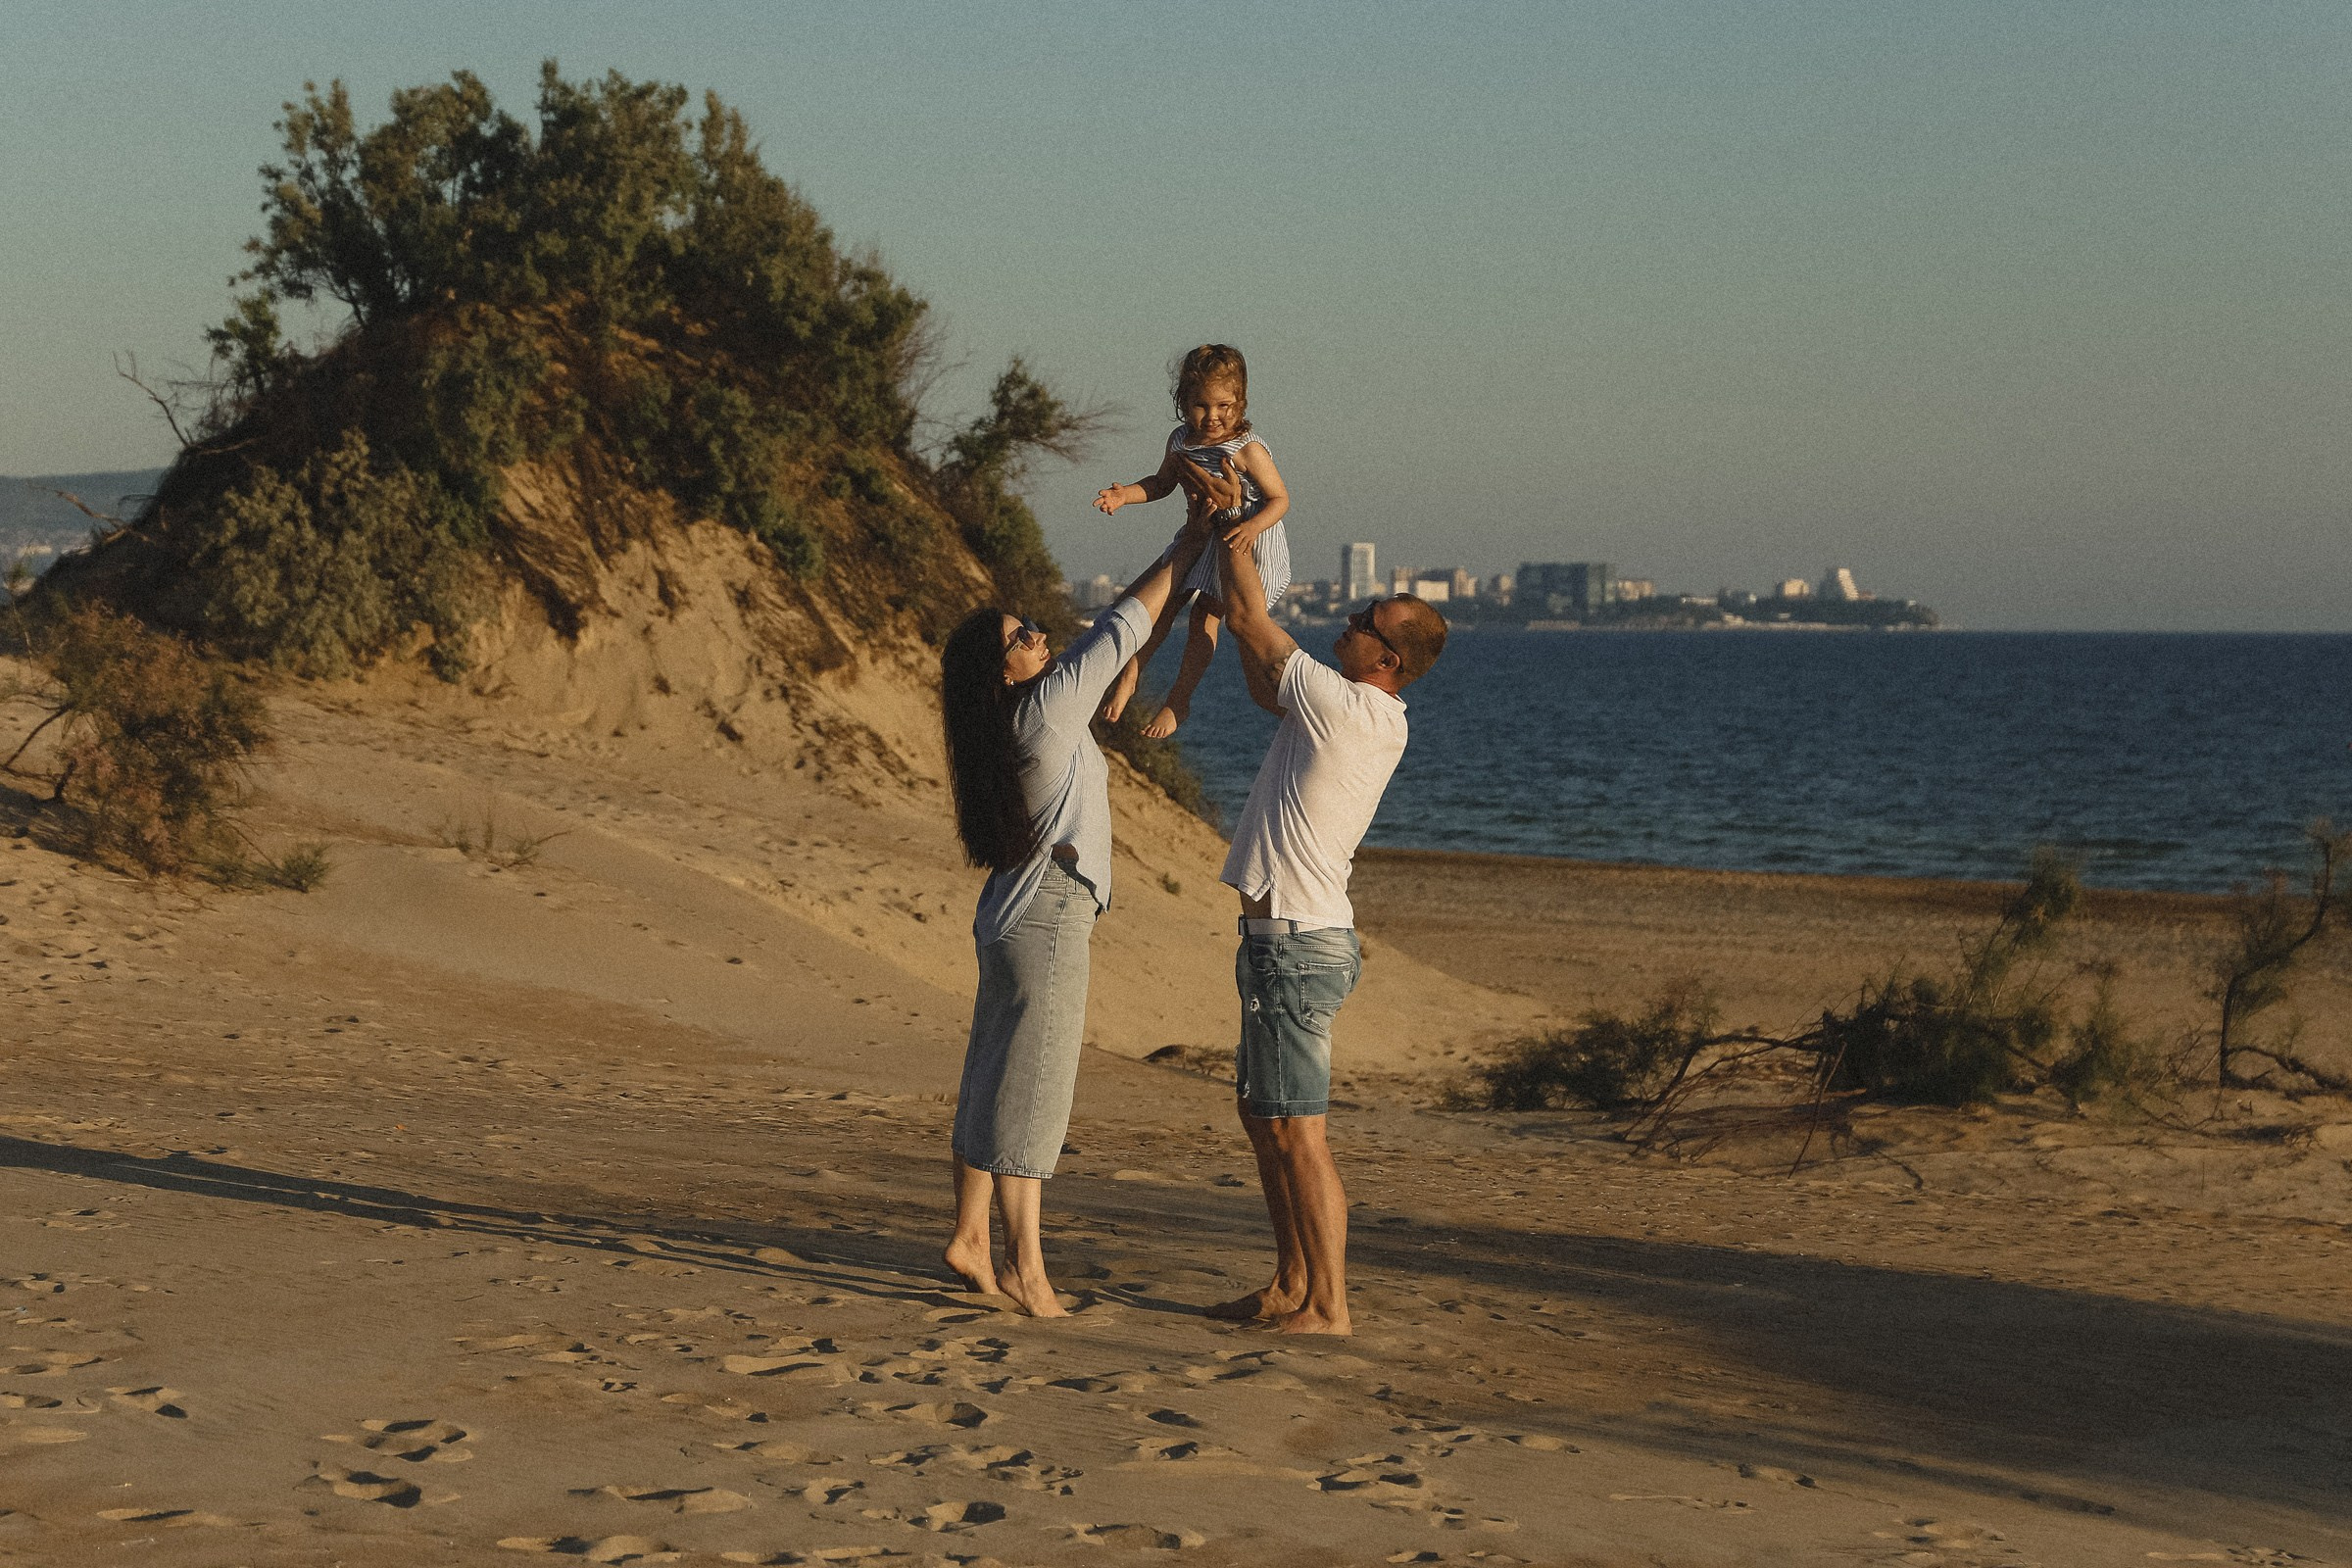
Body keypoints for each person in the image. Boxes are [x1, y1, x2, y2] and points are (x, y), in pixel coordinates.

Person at [1189, 455, 1447, 1336]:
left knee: (1301, 1132)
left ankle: (1329, 1309)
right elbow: (1265, 682)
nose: (1345, 622)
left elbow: (1254, 620)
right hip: (1281, 941)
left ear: (1390, 655)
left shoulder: (1355, 711)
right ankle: (1291, 1286)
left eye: (1362, 620)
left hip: (1298, 945)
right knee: (1264, 1117)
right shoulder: (1344, 705)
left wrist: (1241, 521)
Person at [935, 512, 1211, 1317]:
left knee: (992, 1073)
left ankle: (970, 1235)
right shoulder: (1048, 706)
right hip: (1049, 915)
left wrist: (1128, 671)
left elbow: (1119, 646)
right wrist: (1187, 543)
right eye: (1023, 637)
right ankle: (1025, 1267)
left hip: (1008, 914)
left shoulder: (1008, 725)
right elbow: (1126, 620)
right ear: (1007, 671)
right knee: (1036, 1087)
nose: (1040, 636)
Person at [1094, 344, 1292, 739]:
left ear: (1241, 403)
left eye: (1224, 405)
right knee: (1164, 606)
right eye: (1201, 405)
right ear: (1183, 402)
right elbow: (1161, 484)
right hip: (1202, 536)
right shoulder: (1181, 441)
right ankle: (1131, 674)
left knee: (1207, 616)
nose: (1213, 416)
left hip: (1244, 543)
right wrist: (1124, 495)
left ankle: (1179, 699)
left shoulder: (1247, 450)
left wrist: (1251, 529)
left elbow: (1280, 500)